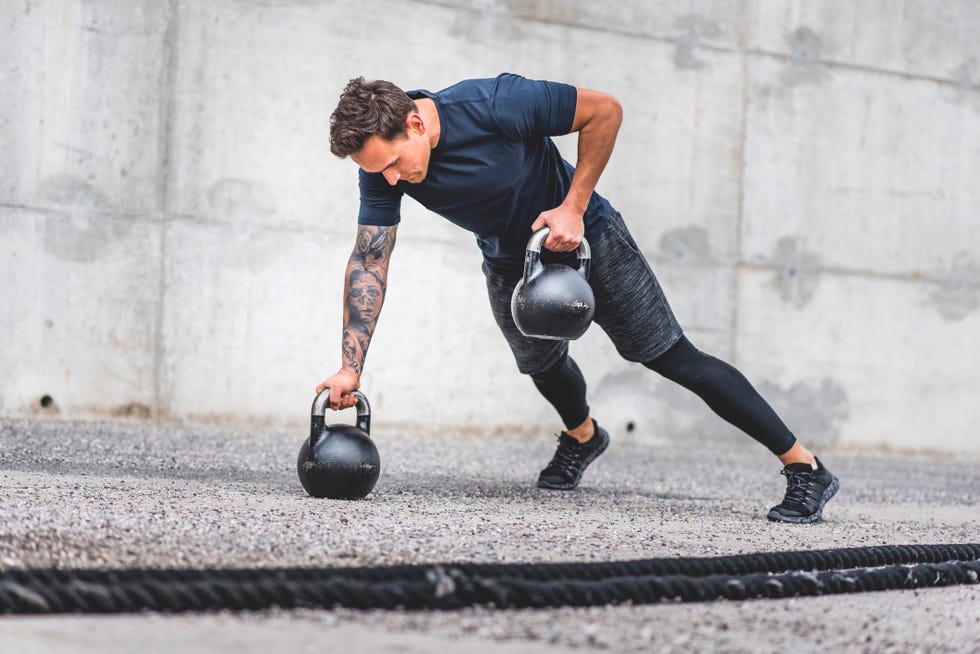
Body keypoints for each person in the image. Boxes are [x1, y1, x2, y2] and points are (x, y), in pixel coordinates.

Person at [316, 73, 839, 523]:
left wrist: (573, 206)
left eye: (392, 163)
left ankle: (804, 466)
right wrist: (349, 367)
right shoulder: (380, 171)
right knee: (539, 364)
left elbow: (604, 111)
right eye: (376, 170)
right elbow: (370, 260)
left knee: (669, 357)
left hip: (590, 238)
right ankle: (584, 436)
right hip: (511, 261)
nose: (389, 178)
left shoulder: (495, 103)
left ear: (415, 125)